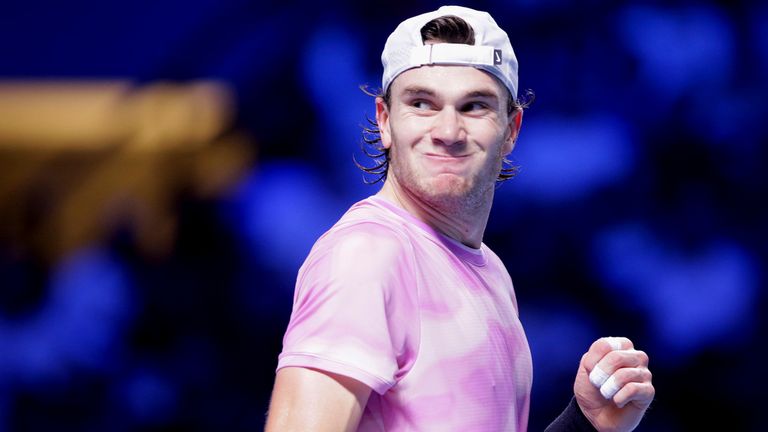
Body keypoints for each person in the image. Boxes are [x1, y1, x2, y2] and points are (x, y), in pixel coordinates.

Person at [265, 5, 654, 431]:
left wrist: (584, 423)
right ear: (384, 121)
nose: (448, 131)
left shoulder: (490, 271)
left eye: (473, 106)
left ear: (511, 130)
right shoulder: (366, 256)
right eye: (421, 103)